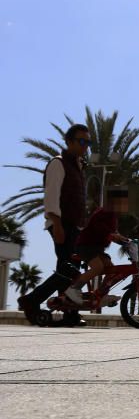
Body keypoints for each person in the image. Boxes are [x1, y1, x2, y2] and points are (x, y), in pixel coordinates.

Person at [18, 124, 90, 323]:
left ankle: (68, 311)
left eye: (88, 142)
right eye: (81, 141)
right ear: (68, 142)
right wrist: (56, 224)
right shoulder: (58, 164)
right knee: (68, 268)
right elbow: (51, 195)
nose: (85, 146)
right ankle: (32, 300)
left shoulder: (78, 166)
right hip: (61, 224)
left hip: (75, 226)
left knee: (68, 268)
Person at [63, 187, 130, 306]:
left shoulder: (112, 215)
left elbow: (113, 233)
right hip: (87, 246)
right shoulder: (105, 212)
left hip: (97, 249)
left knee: (111, 270)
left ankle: (101, 294)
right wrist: (113, 235)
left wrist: (126, 240)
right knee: (98, 267)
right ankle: (74, 289)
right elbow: (100, 228)